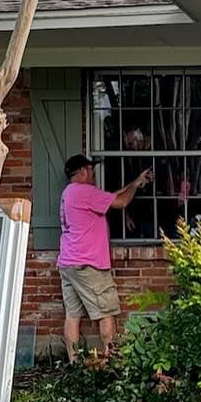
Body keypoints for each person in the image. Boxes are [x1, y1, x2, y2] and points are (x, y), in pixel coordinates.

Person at [57, 153, 152, 360]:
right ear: (82, 171)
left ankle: (75, 364)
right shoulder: (85, 192)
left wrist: (134, 181)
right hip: (88, 264)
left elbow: (108, 198)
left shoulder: (69, 193)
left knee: (72, 315)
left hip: (69, 263)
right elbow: (121, 202)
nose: (93, 174)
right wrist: (135, 187)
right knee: (106, 312)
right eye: (91, 170)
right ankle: (112, 361)